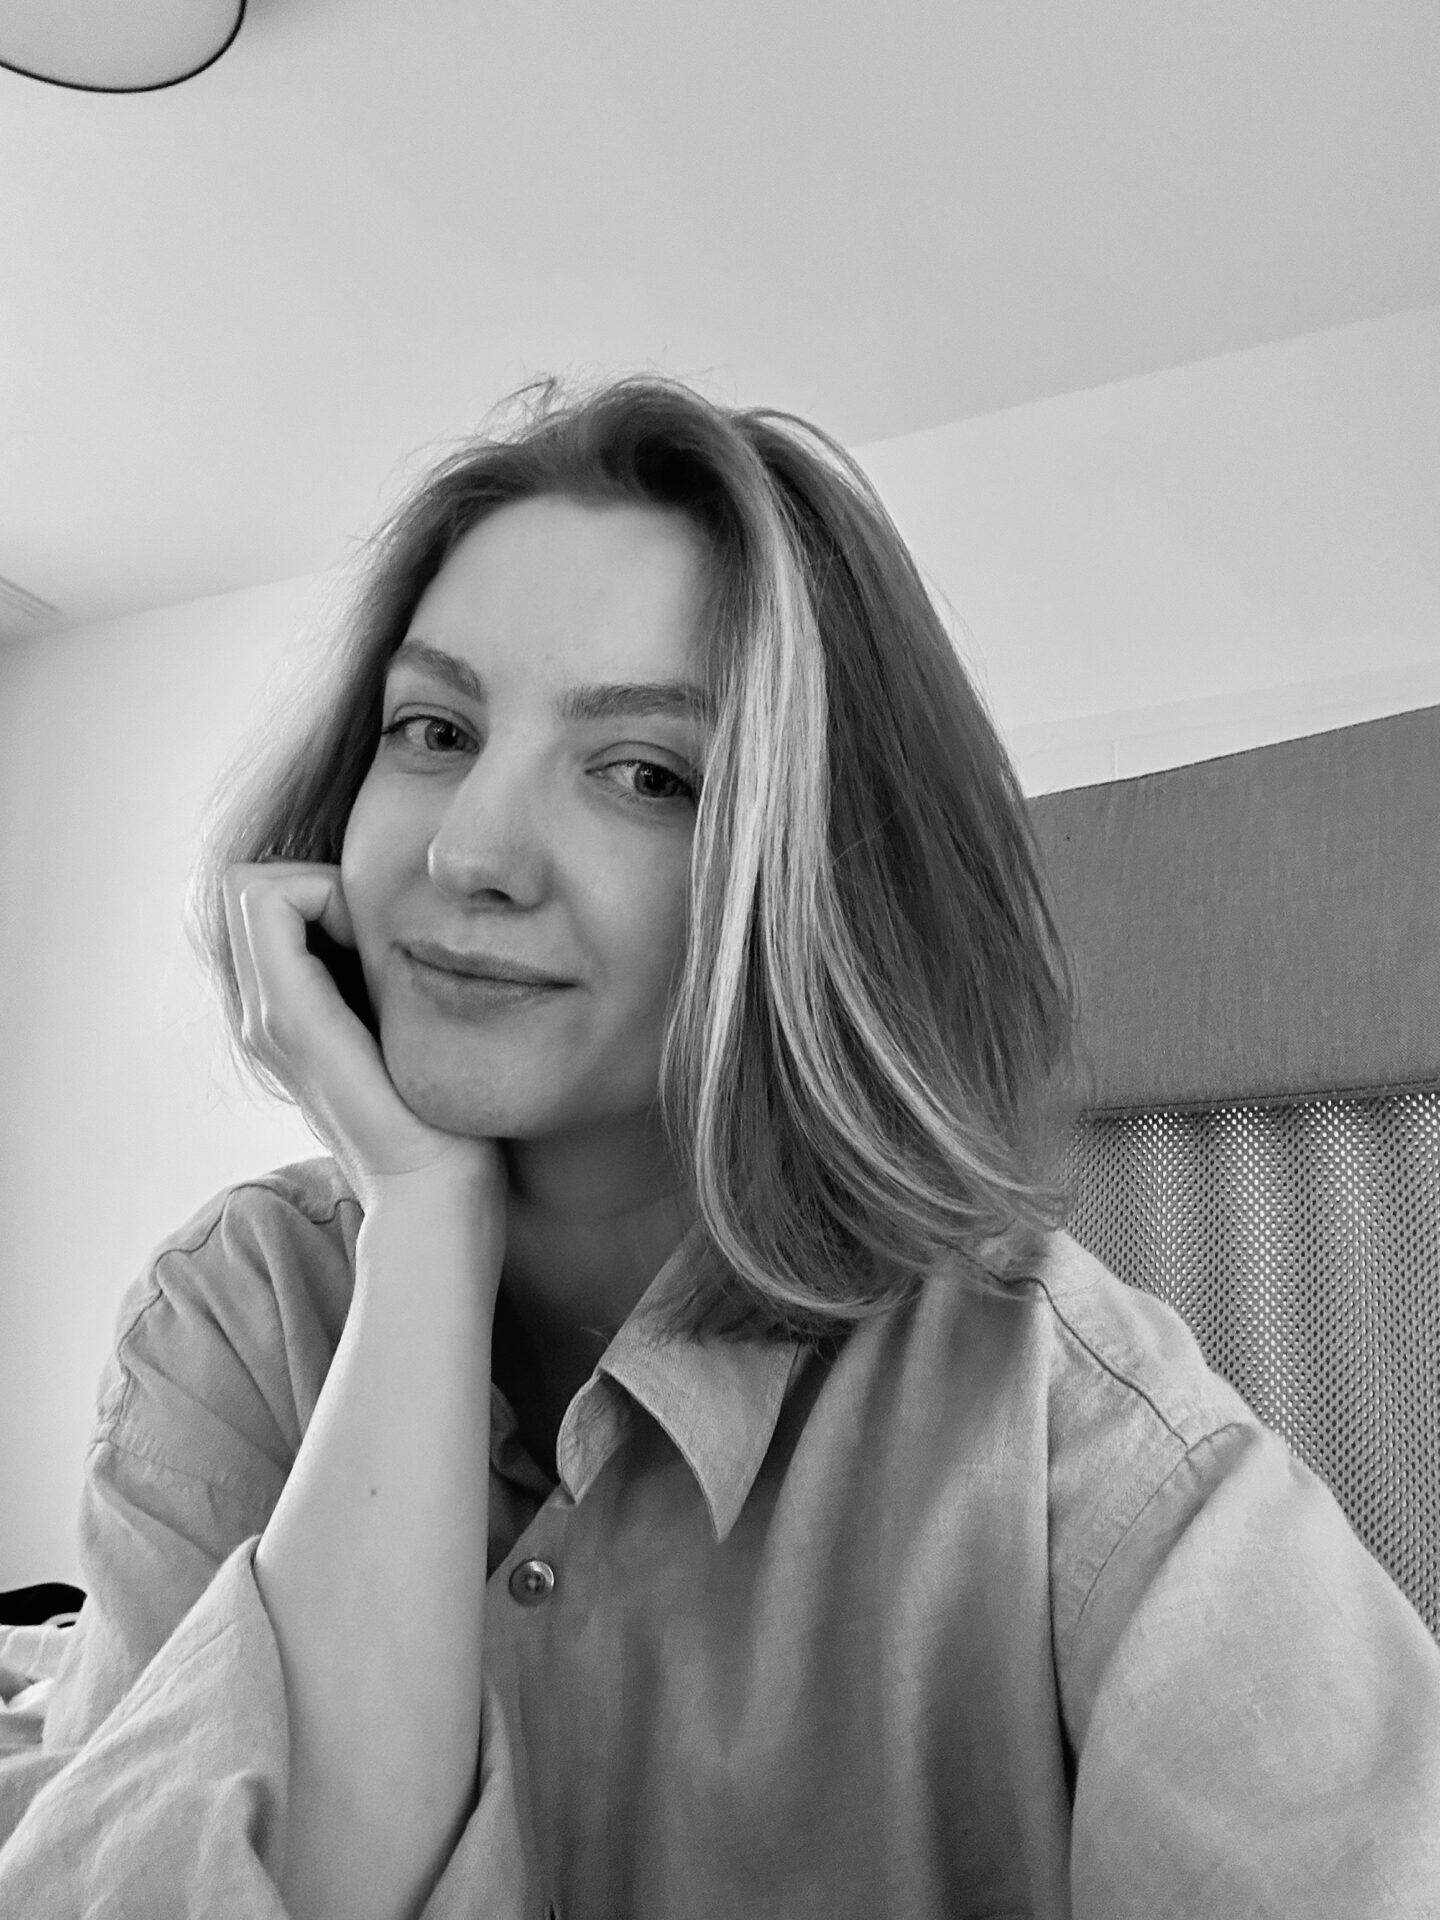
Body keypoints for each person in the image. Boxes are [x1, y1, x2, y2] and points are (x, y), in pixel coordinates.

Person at [1, 373, 1437, 1919]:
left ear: (814, 874)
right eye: (433, 729)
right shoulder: (237, 1314)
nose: (468, 851)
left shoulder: (1068, 1434)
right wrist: (422, 1216)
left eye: (648, 774)